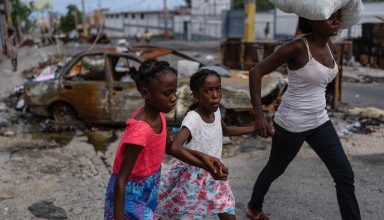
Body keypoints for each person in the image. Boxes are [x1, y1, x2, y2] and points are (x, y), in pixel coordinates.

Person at [247, 10, 361, 220]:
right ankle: (254, 206)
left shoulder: (331, 46)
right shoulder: (297, 47)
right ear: (311, 18)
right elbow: (256, 72)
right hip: (292, 124)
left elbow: (316, 83)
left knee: (344, 174)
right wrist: (260, 116)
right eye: (330, 17)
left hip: (320, 121)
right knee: (274, 170)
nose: (336, 21)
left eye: (338, 16)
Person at [104, 60, 222, 220]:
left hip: (150, 184)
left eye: (174, 92)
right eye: (167, 93)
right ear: (146, 93)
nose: (174, 98)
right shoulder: (140, 131)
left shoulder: (159, 115)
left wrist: (205, 161)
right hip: (129, 193)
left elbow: (170, 147)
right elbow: (121, 179)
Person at [157, 69, 257, 220]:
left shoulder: (215, 111)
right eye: (208, 91)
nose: (215, 95)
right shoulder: (193, 119)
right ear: (197, 95)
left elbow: (227, 130)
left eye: (218, 89)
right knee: (190, 215)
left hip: (214, 172)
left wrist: (255, 128)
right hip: (192, 178)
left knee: (227, 210)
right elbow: (175, 147)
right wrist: (203, 164)